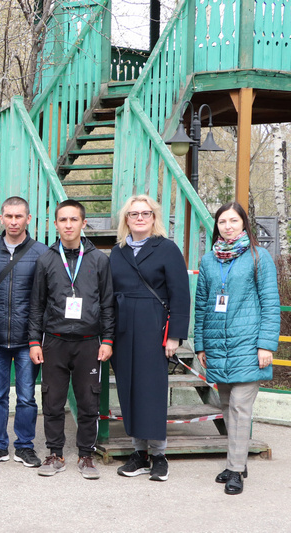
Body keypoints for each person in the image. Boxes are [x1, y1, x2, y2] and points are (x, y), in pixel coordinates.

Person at [194, 202, 280, 495]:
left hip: (249, 345)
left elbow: (270, 303)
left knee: (241, 407)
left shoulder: (259, 256)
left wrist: (266, 345)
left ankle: (234, 470)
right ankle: (238, 461)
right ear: (216, 226)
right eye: (222, 222)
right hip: (218, 346)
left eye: (233, 220)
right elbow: (202, 305)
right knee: (227, 407)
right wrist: (201, 345)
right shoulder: (209, 260)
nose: (227, 226)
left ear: (244, 223)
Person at [28, 199, 114, 479]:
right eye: (63, 220)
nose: (68, 225)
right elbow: (37, 305)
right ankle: (55, 453)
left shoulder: (99, 260)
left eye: (73, 219)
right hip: (54, 341)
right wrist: (34, 341)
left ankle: (86, 455)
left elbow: (108, 304)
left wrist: (108, 340)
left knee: (89, 401)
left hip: (89, 342)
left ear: (83, 223)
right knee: (52, 401)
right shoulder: (46, 260)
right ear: (55, 224)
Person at [109, 195, 190, 482]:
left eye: (146, 213)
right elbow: (108, 295)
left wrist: (175, 336)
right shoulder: (117, 252)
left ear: (154, 218)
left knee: (152, 391)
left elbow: (180, 295)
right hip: (122, 330)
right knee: (129, 390)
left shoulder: (167, 249)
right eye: (134, 214)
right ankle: (139, 453)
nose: (140, 218)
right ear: (126, 219)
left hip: (154, 329)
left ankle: (159, 455)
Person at [0, 196, 48, 468]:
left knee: (27, 397)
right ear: (1, 218)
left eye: (19, 216)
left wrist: (37, 337)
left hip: (28, 339)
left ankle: (25, 446)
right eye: (9, 216)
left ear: (28, 219)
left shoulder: (41, 253)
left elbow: (44, 299)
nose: (13, 221)